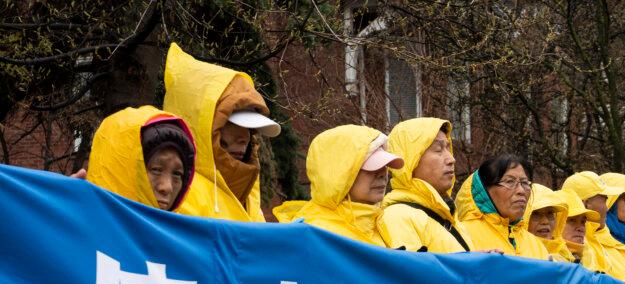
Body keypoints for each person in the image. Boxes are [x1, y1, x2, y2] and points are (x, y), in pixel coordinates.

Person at [163, 44, 280, 221]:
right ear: (204, 126)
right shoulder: (180, 193)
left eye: (250, 129)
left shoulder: (248, 190)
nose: (245, 138)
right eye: (231, 121)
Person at [272, 125, 403, 244]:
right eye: (372, 167)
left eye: (385, 165)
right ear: (338, 174)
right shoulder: (317, 234)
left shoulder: (377, 224)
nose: (382, 174)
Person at [378, 118, 473, 253]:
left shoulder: (450, 216)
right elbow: (416, 273)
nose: (452, 159)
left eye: (448, 148)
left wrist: (479, 261)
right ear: (411, 159)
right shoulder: (398, 217)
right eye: (438, 149)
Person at [85, 106, 196, 213]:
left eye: (177, 174)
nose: (167, 187)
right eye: (156, 170)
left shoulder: (184, 230)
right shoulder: (79, 225)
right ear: (120, 171)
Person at [457, 154, 550, 259]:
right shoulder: (462, 234)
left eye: (524, 183)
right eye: (510, 182)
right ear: (484, 190)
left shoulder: (535, 245)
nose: (521, 191)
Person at [520, 183, 573, 261]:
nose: (545, 221)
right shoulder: (518, 254)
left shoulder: (565, 254)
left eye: (550, 213)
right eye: (536, 214)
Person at [555, 189, 597, 262]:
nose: (580, 228)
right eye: (571, 220)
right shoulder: (548, 260)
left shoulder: (590, 257)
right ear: (555, 222)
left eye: (583, 222)